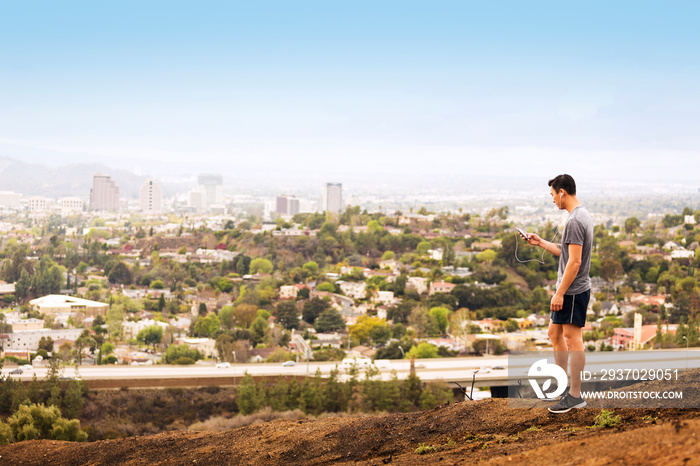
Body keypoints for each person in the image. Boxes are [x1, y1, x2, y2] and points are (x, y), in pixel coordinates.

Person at [525, 174, 593, 413]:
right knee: (554, 334)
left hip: (572, 290)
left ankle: (575, 396)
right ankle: (563, 388)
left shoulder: (575, 221)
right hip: (569, 288)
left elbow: (574, 263)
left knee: (573, 340)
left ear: (562, 192)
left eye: (553, 195)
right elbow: (566, 255)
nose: (553, 200)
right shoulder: (580, 216)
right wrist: (541, 242)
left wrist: (560, 294)